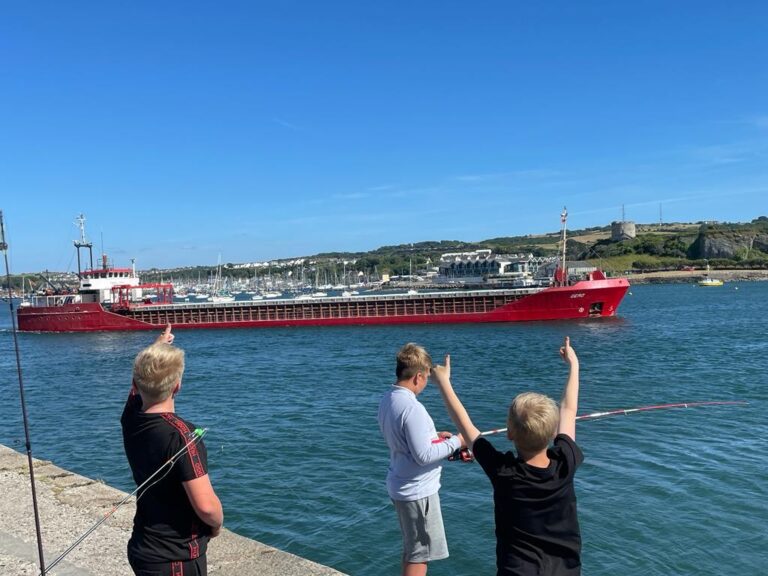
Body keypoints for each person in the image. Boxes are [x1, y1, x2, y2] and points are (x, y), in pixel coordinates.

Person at [431, 336, 583, 576]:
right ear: (553, 433)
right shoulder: (566, 461)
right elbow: (568, 409)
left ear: (510, 434)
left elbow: (465, 425)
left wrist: (443, 382)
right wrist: (574, 365)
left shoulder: (504, 472)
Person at [121, 325, 224, 576]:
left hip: (143, 546)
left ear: (135, 383)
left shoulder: (131, 418)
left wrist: (157, 348)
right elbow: (207, 508)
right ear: (177, 386)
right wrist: (217, 526)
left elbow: (135, 391)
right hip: (174, 559)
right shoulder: (182, 436)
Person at [378, 342, 466, 576]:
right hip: (418, 492)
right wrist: (457, 441)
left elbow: (404, 439)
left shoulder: (389, 399)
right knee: (421, 555)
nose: (426, 383)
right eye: (426, 378)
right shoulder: (412, 407)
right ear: (418, 377)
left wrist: (434, 437)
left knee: (412, 549)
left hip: (400, 483)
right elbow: (424, 455)